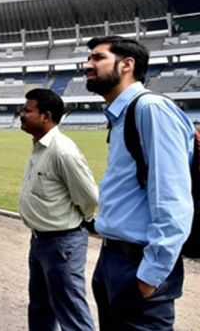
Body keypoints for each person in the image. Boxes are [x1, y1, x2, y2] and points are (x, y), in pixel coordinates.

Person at [84, 36, 194, 330]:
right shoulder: (121, 115)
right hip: (114, 260)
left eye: (97, 58)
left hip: (138, 264)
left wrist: (151, 273)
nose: (87, 65)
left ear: (127, 64)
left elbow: (172, 196)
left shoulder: (150, 109)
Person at [18, 88, 98, 331]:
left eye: (27, 110)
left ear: (46, 116)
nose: (21, 114)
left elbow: (90, 198)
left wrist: (78, 223)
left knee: (71, 313)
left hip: (62, 243)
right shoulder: (40, 146)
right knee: (41, 308)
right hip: (40, 240)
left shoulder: (63, 151)